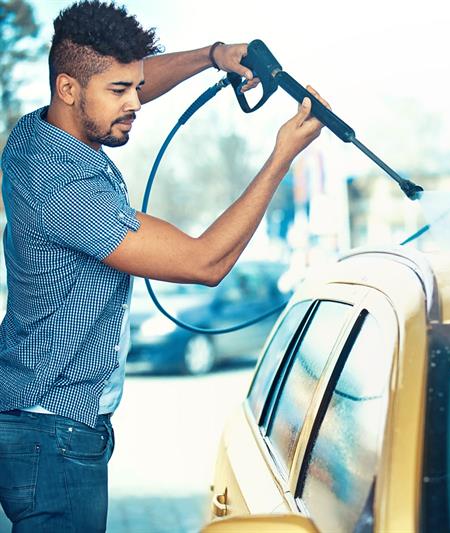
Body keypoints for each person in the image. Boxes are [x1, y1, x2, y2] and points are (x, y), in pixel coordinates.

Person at [0, 1, 328, 531]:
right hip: (52, 434)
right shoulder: (62, 184)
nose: (136, 102)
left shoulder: (37, 131)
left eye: (136, 86)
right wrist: (280, 158)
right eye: (121, 92)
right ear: (68, 88)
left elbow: (123, 81)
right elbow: (205, 261)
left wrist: (214, 56)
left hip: (40, 424)